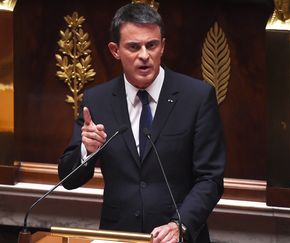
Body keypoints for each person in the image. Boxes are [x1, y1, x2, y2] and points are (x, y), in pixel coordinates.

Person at [58, 3, 226, 243]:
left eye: (152, 45)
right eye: (134, 47)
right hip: (117, 236)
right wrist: (87, 151)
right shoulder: (97, 101)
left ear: (163, 46)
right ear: (115, 50)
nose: (144, 56)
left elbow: (210, 178)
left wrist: (181, 224)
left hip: (176, 236)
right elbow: (68, 179)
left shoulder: (197, 98)